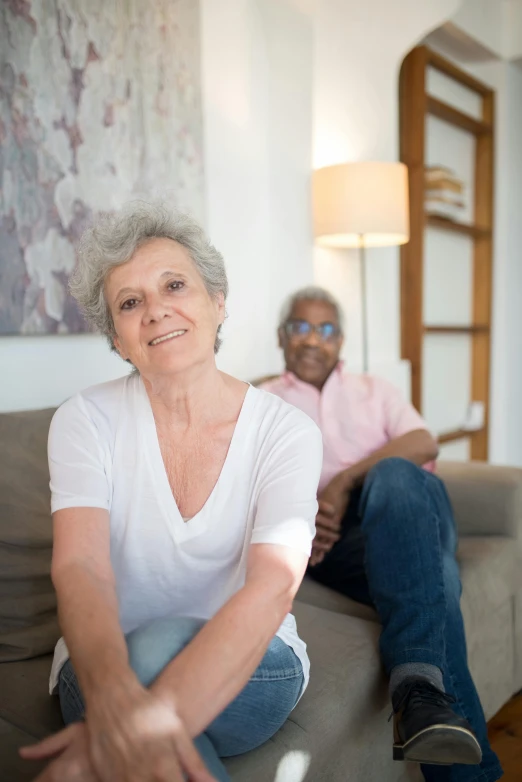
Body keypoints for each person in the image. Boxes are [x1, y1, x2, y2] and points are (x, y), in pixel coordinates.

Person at [20, 204, 323, 782]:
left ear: (218, 301)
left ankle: (121, 738)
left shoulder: (288, 432)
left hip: (255, 671)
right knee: (151, 682)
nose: (156, 310)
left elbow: (271, 587)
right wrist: (116, 701)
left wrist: (136, 719)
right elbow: (81, 568)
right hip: (102, 671)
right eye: (129, 303)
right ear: (117, 339)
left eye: (174, 285)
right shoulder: (84, 421)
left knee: (163, 642)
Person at [260, 286, 503, 782]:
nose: (313, 340)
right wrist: (304, 520)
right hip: (333, 541)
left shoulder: (376, 390)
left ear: (341, 341)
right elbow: (253, 488)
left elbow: (422, 440)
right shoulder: (262, 403)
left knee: (393, 474)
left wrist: (347, 481)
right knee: (437, 581)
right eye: (301, 327)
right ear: (282, 337)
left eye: (325, 329)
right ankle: (422, 696)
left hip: (412, 505)